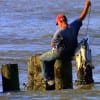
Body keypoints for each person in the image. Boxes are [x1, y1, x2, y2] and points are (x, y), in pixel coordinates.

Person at [40, 0, 91, 86]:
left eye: (57, 23)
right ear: (66, 20)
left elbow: (52, 45)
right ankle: (53, 78)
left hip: (61, 54)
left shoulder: (59, 32)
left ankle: (49, 79)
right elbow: (82, 17)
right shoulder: (74, 25)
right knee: (52, 59)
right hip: (71, 54)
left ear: (59, 22)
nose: (58, 25)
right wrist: (87, 6)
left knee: (42, 58)